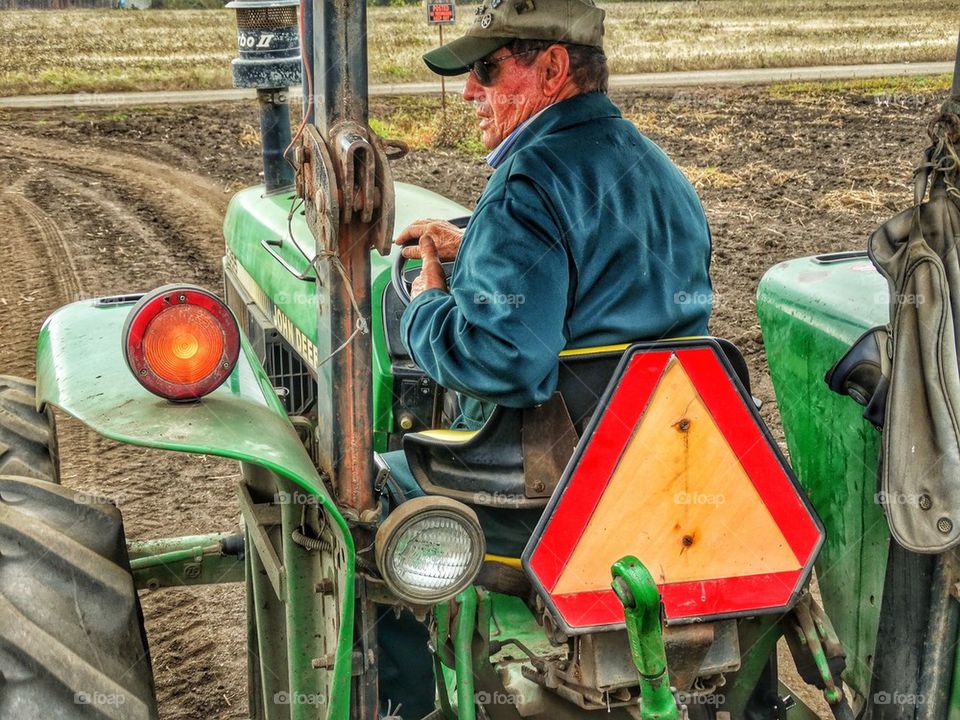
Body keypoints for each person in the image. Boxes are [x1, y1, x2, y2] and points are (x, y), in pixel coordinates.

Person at [378, 0, 713, 715]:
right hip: (661, 476)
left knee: (371, 502)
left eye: (488, 69)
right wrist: (475, 248)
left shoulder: (528, 183)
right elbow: (604, 284)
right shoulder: (664, 177)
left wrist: (431, 304)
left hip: (546, 495)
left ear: (553, 68)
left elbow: (505, 361)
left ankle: (410, 703)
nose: (470, 90)